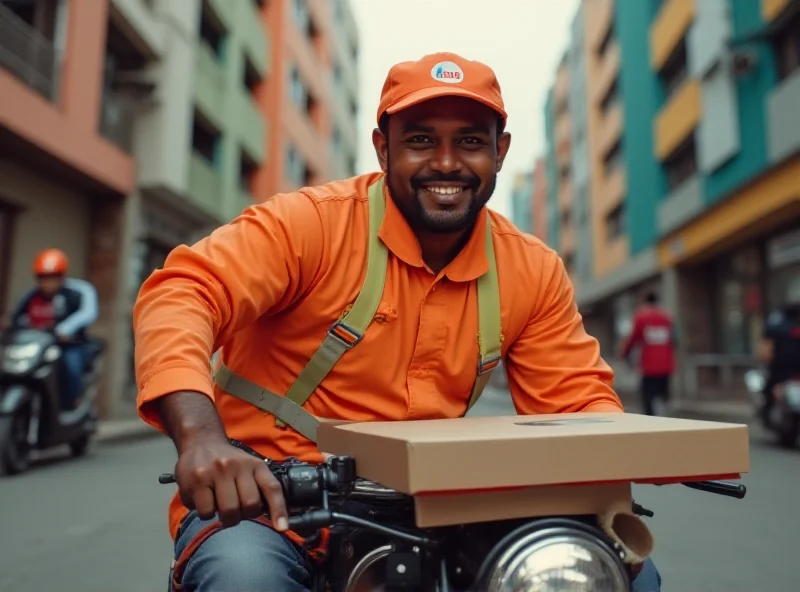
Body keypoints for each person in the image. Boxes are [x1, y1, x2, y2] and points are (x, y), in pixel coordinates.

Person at [133, 53, 662, 592]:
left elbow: (576, 401)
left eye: (472, 142)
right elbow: (184, 292)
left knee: (609, 575)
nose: (448, 163)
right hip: (266, 501)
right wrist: (201, 438)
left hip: (433, 504)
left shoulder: (532, 268)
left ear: (500, 152)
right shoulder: (308, 224)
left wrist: (606, 486)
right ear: (383, 148)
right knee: (244, 578)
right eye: (421, 140)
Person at [7, 248, 98, 409]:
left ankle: (73, 403)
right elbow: (16, 318)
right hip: (37, 347)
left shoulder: (73, 294)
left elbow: (87, 313)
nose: (48, 283)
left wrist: (65, 329)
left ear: (62, 277)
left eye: (53, 278)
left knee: (71, 366)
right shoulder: (31, 296)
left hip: (68, 346)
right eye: (44, 278)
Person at [620, 291, 676, 417]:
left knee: (648, 397)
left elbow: (633, 338)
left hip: (649, 365)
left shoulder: (641, 317)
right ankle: (666, 415)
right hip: (666, 363)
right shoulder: (667, 317)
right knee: (663, 394)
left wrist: (625, 353)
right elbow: (674, 339)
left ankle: (652, 420)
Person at [758, 285, 800, 425]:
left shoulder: (777, 319)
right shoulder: (778, 320)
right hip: (782, 370)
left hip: (783, 370)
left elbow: (766, 348)